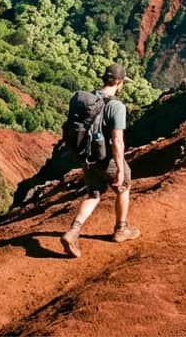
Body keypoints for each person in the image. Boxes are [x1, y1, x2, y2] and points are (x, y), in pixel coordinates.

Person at [61, 63, 141, 258]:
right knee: (124, 187)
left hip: (87, 156)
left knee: (94, 195)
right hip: (105, 158)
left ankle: (73, 231)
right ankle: (121, 229)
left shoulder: (89, 99)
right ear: (119, 82)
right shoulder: (116, 106)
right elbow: (117, 141)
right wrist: (120, 169)